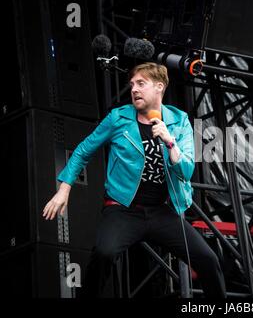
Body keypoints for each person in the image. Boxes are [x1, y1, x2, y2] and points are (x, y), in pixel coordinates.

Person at [42, 62, 226, 298]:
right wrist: (64, 188)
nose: (134, 90)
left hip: (161, 212)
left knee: (208, 259)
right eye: (132, 85)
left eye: (141, 84)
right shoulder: (118, 119)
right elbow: (83, 150)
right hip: (123, 209)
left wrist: (170, 142)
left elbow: (187, 171)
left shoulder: (179, 121)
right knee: (104, 254)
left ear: (159, 87)